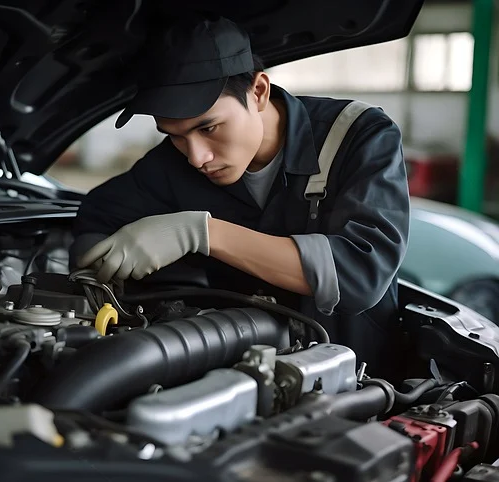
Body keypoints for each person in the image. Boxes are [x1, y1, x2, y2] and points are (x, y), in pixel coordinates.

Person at [70, 13, 410, 379]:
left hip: (359, 385)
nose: (196, 156)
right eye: (175, 135)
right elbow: (98, 216)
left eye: (209, 127)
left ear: (259, 92)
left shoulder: (357, 137)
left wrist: (201, 234)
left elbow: (359, 274)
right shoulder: (172, 163)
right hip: (235, 377)